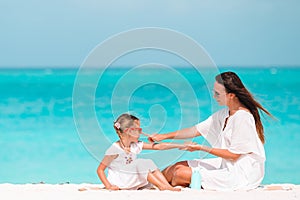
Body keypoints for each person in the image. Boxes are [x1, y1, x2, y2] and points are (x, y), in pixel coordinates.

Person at [148, 71, 273, 191]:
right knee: (176, 166)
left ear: (231, 95)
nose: (214, 96)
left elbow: (234, 155)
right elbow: (195, 130)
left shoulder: (243, 118)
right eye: (214, 92)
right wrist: (163, 136)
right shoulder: (224, 114)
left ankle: (161, 184)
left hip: (241, 174)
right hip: (226, 164)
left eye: (218, 93)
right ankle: (147, 182)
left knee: (179, 173)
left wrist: (202, 148)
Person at [97, 113, 182, 191]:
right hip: (120, 181)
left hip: (129, 178)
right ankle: (161, 186)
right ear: (128, 131)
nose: (141, 132)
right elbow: (100, 170)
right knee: (140, 163)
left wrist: (180, 145)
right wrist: (109, 186)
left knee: (148, 162)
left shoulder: (135, 145)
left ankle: (166, 186)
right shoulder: (115, 149)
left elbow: (158, 146)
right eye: (139, 130)